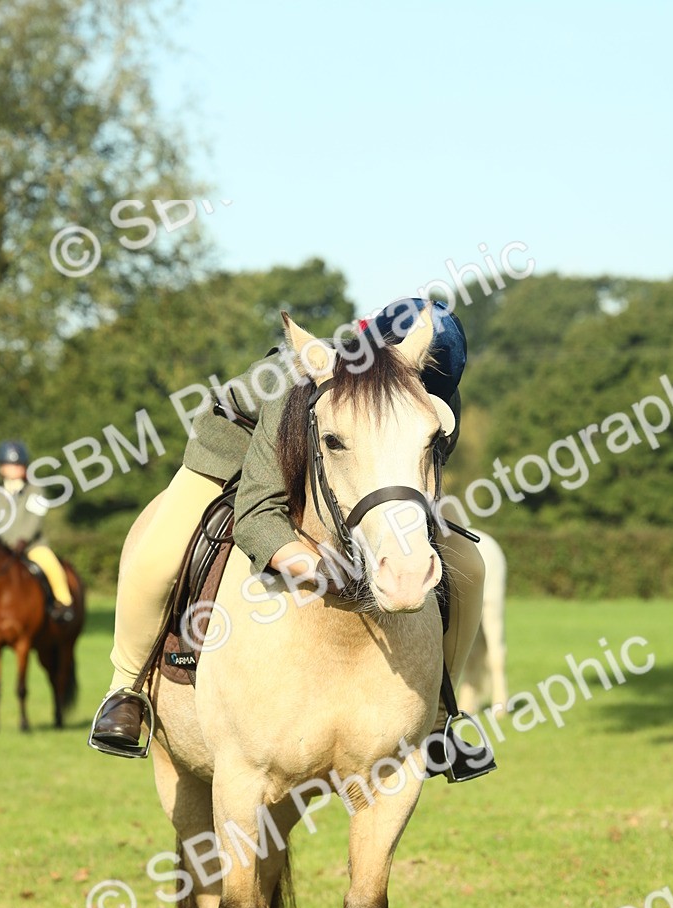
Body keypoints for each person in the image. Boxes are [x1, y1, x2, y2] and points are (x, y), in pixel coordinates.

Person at [89, 299, 493, 781]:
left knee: (470, 563)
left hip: (349, 472)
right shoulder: (296, 383)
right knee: (157, 555)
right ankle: (126, 689)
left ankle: (443, 716)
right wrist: (318, 570)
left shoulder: (430, 394)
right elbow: (259, 511)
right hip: (237, 446)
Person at [0, 440, 76, 621]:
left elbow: (35, 519)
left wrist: (22, 540)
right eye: (10, 465)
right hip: (2, 549)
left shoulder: (36, 489)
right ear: (1, 468)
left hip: (32, 546)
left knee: (52, 566)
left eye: (18, 465)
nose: (14, 469)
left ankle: (64, 604)